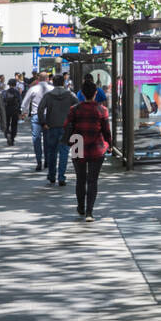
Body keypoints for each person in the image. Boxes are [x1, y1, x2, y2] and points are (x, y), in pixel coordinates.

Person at [64, 77, 112, 221]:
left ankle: (80, 207)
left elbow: (67, 125)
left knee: (80, 179)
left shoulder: (74, 109)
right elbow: (106, 131)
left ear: (82, 94)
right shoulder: (102, 110)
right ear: (95, 93)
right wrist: (109, 145)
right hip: (97, 147)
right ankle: (89, 212)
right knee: (92, 180)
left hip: (78, 146)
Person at [38, 77, 77, 186]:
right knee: (64, 152)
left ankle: (51, 175)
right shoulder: (70, 95)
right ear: (63, 83)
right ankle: (61, 177)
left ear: (53, 83)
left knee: (51, 152)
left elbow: (40, 109)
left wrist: (43, 122)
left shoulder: (48, 95)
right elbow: (78, 105)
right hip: (66, 127)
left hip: (51, 126)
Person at [20, 71, 52, 172]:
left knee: (36, 140)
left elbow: (25, 102)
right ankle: (47, 160)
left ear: (38, 79)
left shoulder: (33, 89)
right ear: (47, 79)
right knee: (47, 140)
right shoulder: (52, 89)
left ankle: (39, 162)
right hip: (48, 117)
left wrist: (24, 112)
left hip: (36, 116)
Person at [2, 78, 22, 146]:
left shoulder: (5, 92)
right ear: (15, 84)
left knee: (7, 124)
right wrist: (20, 111)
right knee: (14, 125)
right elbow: (20, 102)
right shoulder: (17, 92)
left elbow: (2, 102)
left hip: (7, 110)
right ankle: (12, 137)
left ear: (9, 84)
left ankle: (7, 134)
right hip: (15, 110)